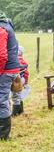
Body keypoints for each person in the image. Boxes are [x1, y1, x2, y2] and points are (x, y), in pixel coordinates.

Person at [0, 12, 20, 140]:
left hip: (6, 69)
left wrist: (0, 71)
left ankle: (3, 135)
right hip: (11, 68)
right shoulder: (7, 25)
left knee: (1, 100)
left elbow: (2, 55)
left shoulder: (1, 30)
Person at [11, 46, 28, 116]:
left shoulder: (15, 60)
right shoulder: (23, 61)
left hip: (17, 80)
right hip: (22, 79)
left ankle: (15, 113)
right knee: (19, 95)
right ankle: (21, 111)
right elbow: (26, 73)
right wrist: (26, 81)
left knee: (15, 95)